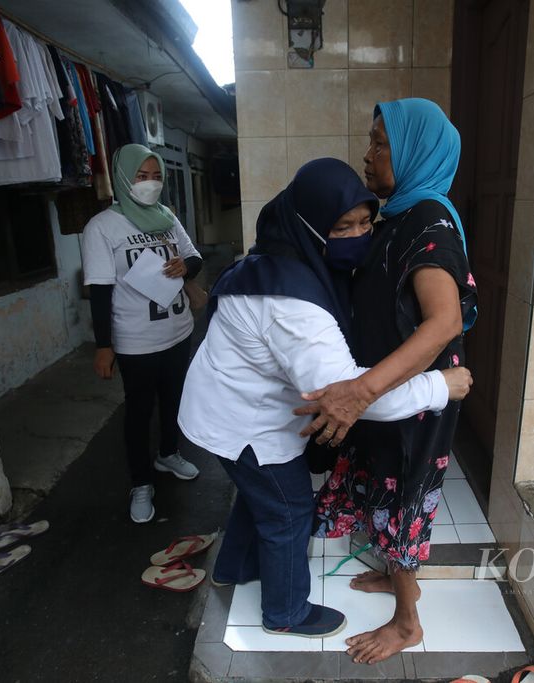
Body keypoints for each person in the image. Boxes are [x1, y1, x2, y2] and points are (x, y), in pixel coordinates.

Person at [177, 158, 472, 638]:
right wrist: (441, 385)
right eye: (342, 227)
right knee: (288, 508)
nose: (358, 235)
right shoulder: (291, 304)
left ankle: (233, 567)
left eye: (364, 222)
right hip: (243, 423)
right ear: (312, 225)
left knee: (258, 496)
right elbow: (352, 396)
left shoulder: (279, 257)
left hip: (222, 408)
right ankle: (286, 612)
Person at [303, 98, 478, 664]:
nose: (368, 153)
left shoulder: (430, 220)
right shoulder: (400, 213)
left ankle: (407, 622)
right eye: (371, 141)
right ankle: (397, 577)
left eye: (381, 142)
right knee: (381, 482)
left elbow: (445, 320)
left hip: (412, 395)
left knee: (402, 493)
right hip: (387, 387)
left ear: (414, 151)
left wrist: (361, 390)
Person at [82, 143, 203, 523]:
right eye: (141, 176)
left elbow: (194, 257)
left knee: (173, 401)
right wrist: (104, 345)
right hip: (136, 340)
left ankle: (168, 454)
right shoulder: (103, 227)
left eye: (155, 177)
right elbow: (99, 290)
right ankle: (141, 483)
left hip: (178, 330)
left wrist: (185, 266)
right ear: (123, 178)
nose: (150, 184)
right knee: (138, 411)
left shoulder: (165, 215)